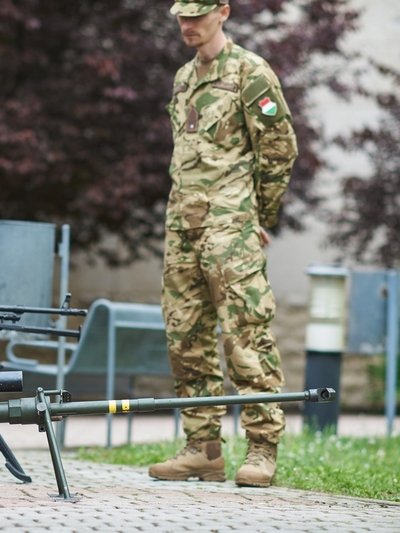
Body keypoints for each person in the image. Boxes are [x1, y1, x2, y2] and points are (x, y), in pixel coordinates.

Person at [149, 0, 298, 488]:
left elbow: (279, 149)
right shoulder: (183, 77)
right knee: (185, 338)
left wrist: (260, 215)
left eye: (197, 15)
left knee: (245, 336)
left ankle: (261, 447)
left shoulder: (251, 72)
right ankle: (203, 447)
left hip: (230, 228)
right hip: (182, 228)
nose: (188, 25)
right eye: (182, 17)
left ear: (224, 12)